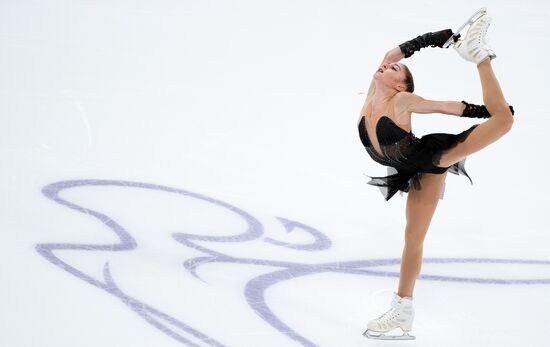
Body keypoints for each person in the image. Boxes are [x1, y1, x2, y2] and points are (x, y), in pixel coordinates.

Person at [359, 12, 515, 340]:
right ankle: (402, 310)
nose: (386, 66)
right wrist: (437, 37)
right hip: (411, 170)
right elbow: (392, 54)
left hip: (431, 158)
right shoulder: (374, 94)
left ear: (400, 85)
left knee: (503, 122)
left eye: (394, 70)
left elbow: (446, 107)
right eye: (388, 66)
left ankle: (480, 56)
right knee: (413, 238)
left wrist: (487, 111)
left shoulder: (402, 99)